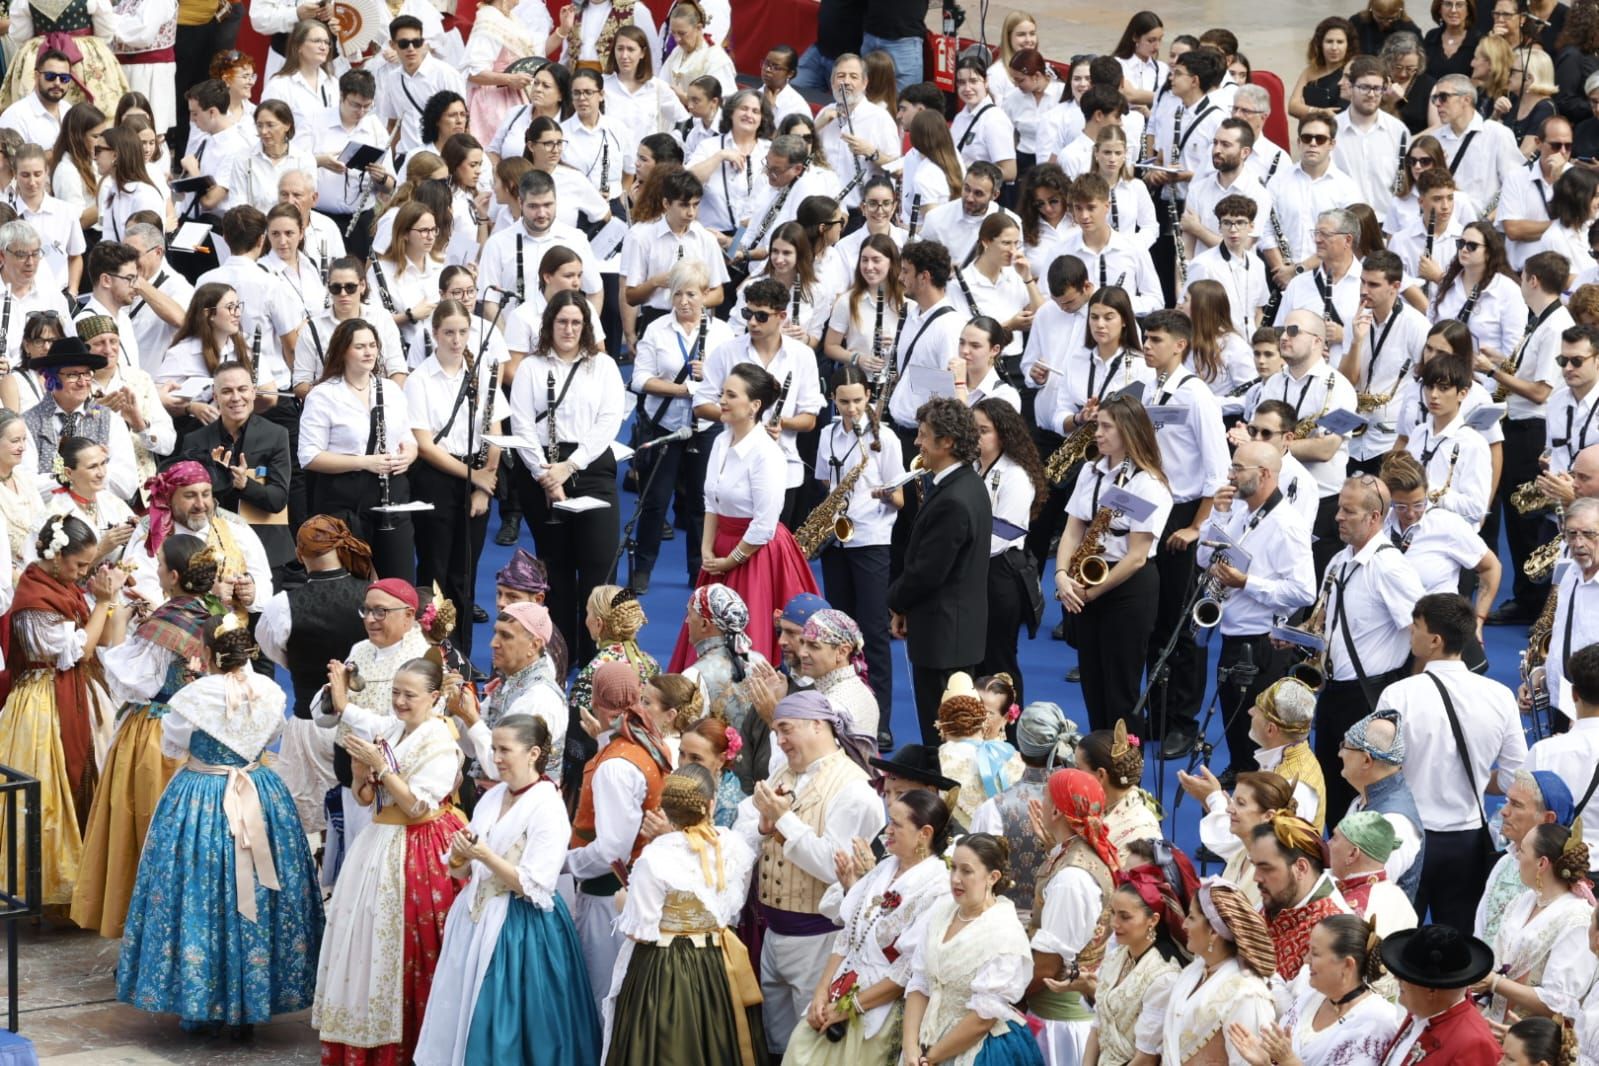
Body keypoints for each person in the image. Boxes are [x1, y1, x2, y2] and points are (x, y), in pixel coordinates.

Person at [114, 614, 322, 1034]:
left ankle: (200, 1002)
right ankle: (254, 998)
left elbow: (173, 745)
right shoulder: (268, 689)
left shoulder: (193, 697)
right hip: (260, 791)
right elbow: (271, 734)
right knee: (261, 892)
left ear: (206, 653)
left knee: (198, 891)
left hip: (201, 796)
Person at [412, 714, 600, 1066]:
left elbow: (536, 883)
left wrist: (484, 854)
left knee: (508, 1018)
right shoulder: (493, 795)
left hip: (521, 928)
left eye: (504, 750)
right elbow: (467, 866)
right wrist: (460, 856)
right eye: (494, 748)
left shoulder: (548, 806)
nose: (495, 758)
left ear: (532, 753)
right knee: (462, 1010)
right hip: (474, 918)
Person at [314, 657, 466, 1064]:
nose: (399, 701)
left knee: (411, 944)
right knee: (367, 939)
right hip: (380, 842)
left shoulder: (440, 742)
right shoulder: (397, 729)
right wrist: (362, 773)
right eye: (395, 692)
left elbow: (417, 805)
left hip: (419, 849)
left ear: (434, 698)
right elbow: (368, 795)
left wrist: (381, 767)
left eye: (408, 695)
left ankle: (411, 1042)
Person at [69, 537, 216, 939]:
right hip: (202, 733)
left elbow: (132, 682)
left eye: (161, 564)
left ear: (171, 576)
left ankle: (150, 933)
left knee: (145, 833)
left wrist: (116, 619)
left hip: (156, 735)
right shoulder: (213, 616)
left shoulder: (164, 624)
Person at [732, 690, 883, 1056]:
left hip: (818, 937)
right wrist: (765, 827)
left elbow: (833, 864)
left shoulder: (853, 789)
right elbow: (748, 828)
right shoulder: (784, 771)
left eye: (786, 730)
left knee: (810, 1045)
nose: (780, 741)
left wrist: (783, 819)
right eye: (777, 732)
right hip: (773, 930)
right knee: (776, 1040)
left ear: (818, 725)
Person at [1379, 592, 1526, 932]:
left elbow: (1380, 770)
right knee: (1459, 949)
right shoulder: (1500, 696)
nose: (1409, 633)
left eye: (1415, 627)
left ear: (1434, 639)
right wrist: (1476, 777)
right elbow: (1513, 777)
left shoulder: (1398, 695)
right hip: (1467, 842)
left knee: (1393, 940)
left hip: (1407, 836)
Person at [0, 514, 126, 902]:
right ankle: (47, 887)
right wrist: (102, 601)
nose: (83, 572)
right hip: (43, 700)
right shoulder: (34, 598)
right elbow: (76, 652)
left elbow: (101, 638)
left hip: (77, 693)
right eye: (80, 565)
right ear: (56, 557)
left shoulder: (60, 585)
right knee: (46, 790)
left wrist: (114, 603)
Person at [603, 764, 761, 1065]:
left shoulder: (656, 855)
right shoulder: (732, 845)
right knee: (717, 1038)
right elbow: (732, 908)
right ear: (710, 804)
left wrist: (623, 902)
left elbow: (642, 930)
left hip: (665, 967)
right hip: (715, 963)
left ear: (667, 809)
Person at [784, 787, 951, 1066]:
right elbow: (847, 937)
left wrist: (851, 1008)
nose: (888, 830)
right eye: (890, 821)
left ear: (925, 833)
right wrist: (821, 992)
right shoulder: (884, 869)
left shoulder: (937, 889)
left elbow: (906, 972)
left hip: (878, 1010)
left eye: (897, 824)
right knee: (800, 1051)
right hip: (839, 991)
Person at [674, 358, 821, 669]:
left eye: (731, 395)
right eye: (722, 394)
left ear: (754, 405)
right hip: (721, 549)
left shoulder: (767, 454)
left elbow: (764, 525)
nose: (722, 401)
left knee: (748, 641)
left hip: (756, 555)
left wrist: (729, 560)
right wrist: (705, 548)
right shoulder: (719, 441)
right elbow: (711, 501)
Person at [1056, 394, 1171, 733]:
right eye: (1097, 425)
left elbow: (1137, 556)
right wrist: (1062, 576)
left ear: (1129, 432)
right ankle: (1097, 759)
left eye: (1107, 427)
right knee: (1092, 682)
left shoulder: (1148, 484)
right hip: (1086, 583)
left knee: (1121, 687)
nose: (1097, 433)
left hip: (1127, 589)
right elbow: (1072, 530)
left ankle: (1124, 767)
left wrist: (1092, 593)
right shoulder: (1092, 472)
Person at [566, 661, 673, 1016]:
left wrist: (564, 863)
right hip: (631, 887)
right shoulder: (646, 739)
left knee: (603, 996)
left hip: (606, 897)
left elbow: (611, 849)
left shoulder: (615, 766)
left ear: (597, 701)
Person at [255, 516, 374, 833]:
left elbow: (275, 651)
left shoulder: (282, 605)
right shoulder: (373, 596)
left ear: (299, 552)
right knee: (358, 822)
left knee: (308, 825)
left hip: (309, 724)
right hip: (364, 728)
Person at [403, 299, 505, 656]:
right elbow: (426, 445)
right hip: (436, 479)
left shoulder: (483, 375)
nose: (457, 339)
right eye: (449, 332)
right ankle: (431, 654)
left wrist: (484, 487)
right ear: (434, 334)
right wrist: (473, 476)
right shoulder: (419, 380)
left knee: (465, 576)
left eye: (463, 332)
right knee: (435, 571)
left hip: (477, 477)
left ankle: (460, 656)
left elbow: (495, 433)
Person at [888, 397, 990, 744]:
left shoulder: (954, 497)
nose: (917, 443)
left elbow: (928, 571)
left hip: (944, 638)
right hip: (950, 630)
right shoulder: (964, 485)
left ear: (946, 442)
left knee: (943, 739)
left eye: (923, 435)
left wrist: (895, 599)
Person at [898, 833, 1045, 1065]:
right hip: (923, 1044)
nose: (955, 879)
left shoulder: (1004, 932)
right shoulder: (942, 912)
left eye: (966, 871)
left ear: (992, 877)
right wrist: (910, 1048)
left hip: (978, 1051)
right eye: (953, 868)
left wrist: (930, 1057)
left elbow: (982, 1018)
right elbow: (920, 982)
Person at [299, 318, 417, 582]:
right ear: (343, 351)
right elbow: (309, 456)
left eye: (373, 345)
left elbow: (407, 436)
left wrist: (409, 454)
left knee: (399, 579)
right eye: (360, 346)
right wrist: (364, 462)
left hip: (392, 492)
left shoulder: (390, 390)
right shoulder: (323, 395)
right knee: (352, 583)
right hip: (345, 499)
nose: (369, 352)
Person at [1027, 768, 1120, 1063]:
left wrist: (1007, 1000)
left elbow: (1048, 965)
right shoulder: (1076, 853)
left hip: (1059, 1027)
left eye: (1045, 796)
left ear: (1055, 810)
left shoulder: (1073, 879)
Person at [1231, 914, 1403, 1066]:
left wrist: (1289, 1061)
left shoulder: (1377, 1023)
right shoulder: (1311, 996)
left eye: (1315, 953)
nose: (1306, 960)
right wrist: (1264, 1063)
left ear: (1347, 964)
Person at [1476, 821, 1596, 1022]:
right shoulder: (1524, 900)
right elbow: (1496, 964)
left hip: (1533, 1042)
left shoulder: (1578, 918)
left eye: (1522, 851)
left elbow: (1561, 1005)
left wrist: (1494, 982)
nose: (1516, 856)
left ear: (1542, 864)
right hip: (1494, 1024)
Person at [1160, 877, 1277, 1064]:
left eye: (1191, 917)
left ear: (1214, 931)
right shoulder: (1194, 971)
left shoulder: (1247, 994)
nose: (1184, 925)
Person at [456, 603, 568, 792]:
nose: (493, 643)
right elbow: (472, 747)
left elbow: (501, 768)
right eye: (495, 633)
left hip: (526, 811)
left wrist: (471, 719)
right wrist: (456, 710)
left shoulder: (539, 697)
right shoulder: (510, 682)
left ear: (534, 645)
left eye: (506, 636)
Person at [1474, 770, 1576, 944]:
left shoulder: (1561, 881)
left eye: (1516, 804)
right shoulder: (1505, 862)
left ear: (1548, 819)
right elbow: (1480, 930)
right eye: (1507, 801)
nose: (1504, 811)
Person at [1247, 812, 1350, 983]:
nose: (1256, 878)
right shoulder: (1279, 897)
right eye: (1255, 866)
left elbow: (1303, 1006)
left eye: (1266, 868)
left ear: (1300, 868)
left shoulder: (1333, 930)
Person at [1378, 924, 1500, 1066]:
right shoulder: (1422, 1009)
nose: (1396, 978)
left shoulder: (1474, 1046)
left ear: (1431, 990)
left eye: (1405, 976)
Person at [1338, 708, 1426, 901]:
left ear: (1366, 760)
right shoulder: (1366, 798)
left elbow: (1367, 894)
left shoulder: (1393, 823)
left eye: (1346, 746)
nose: (1340, 753)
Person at [677, 583, 764, 738]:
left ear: (705, 624)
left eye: (689, 615)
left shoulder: (695, 675)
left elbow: (689, 735)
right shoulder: (760, 661)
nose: (686, 621)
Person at [1330, 811, 1421, 935]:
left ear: (1352, 854)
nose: (1328, 844)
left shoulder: (1346, 911)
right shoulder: (1401, 900)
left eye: (1334, 838)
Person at [797, 608, 877, 742]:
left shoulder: (833, 706)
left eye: (814, 646)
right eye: (802, 643)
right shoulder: (859, 687)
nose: (802, 653)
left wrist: (772, 716)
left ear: (842, 652)